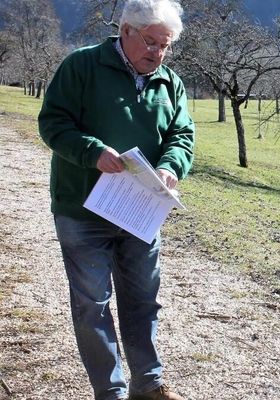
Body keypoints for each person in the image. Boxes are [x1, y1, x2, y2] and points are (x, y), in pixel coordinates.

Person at [38, 0, 194, 399]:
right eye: (150, 42)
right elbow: (53, 123)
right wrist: (92, 152)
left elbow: (182, 135)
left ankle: (150, 384)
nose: (157, 53)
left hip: (142, 209)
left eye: (165, 45)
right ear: (125, 30)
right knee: (93, 305)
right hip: (83, 209)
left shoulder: (169, 82)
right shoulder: (82, 66)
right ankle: (110, 392)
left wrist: (171, 166)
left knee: (143, 300)